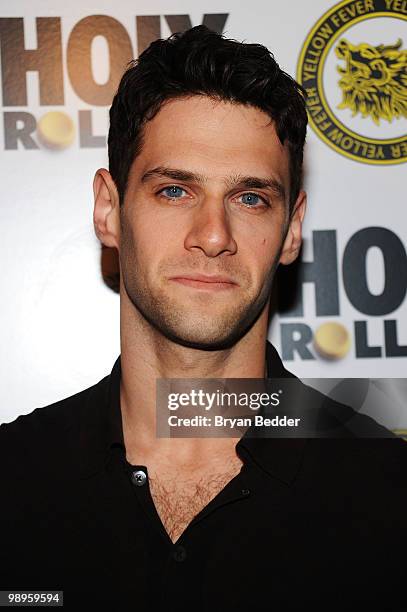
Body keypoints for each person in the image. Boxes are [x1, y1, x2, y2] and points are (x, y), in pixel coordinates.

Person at [0, 25, 406, 611]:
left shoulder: (388, 496)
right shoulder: (13, 482)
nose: (213, 236)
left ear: (291, 229)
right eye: (174, 191)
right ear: (109, 210)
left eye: (250, 199)